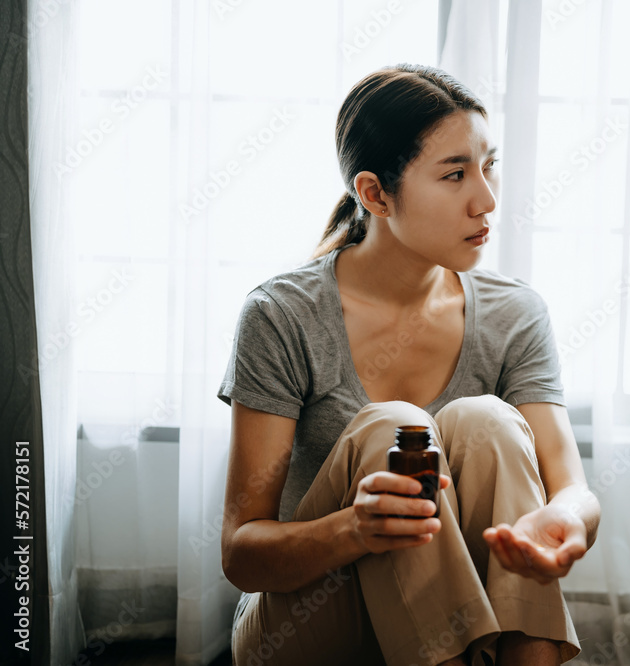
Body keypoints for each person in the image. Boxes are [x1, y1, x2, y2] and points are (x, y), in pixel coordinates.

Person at [218, 63, 601, 666]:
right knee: (393, 427)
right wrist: (355, 529)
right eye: (455, 174)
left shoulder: (514, 313)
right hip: (308, 625)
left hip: (468, 617)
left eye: (488, 165)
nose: (487, 199)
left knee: (487, 421)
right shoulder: (282, 315)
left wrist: (564, 519)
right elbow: (243, 555)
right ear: (374, 194)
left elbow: (571, 488)